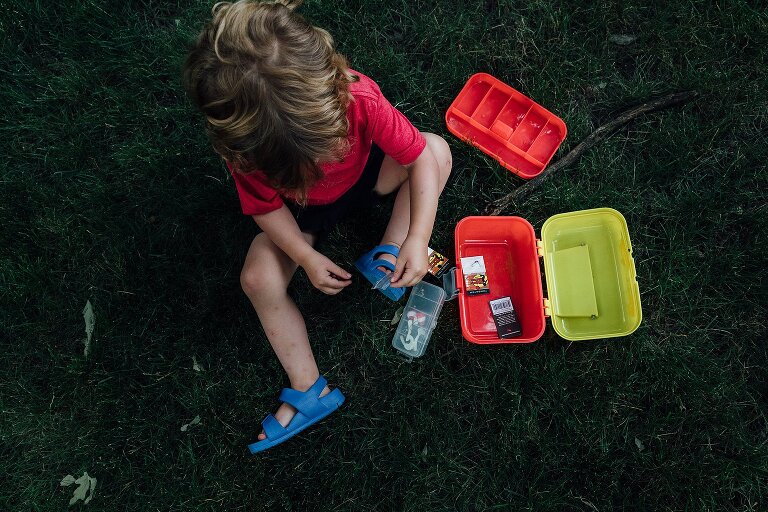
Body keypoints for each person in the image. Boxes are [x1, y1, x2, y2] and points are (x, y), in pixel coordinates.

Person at [183, 0, 451, 452]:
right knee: (258, 276)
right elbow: (266, 210)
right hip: (298, 215)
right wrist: (304, 256)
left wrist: (416, 238)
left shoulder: (358, 97)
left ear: (334, 90)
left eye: (326, 150)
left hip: (369, 178)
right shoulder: (248, 151)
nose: (316, 169)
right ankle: (309, 387)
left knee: (437, 149)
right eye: (296, 168)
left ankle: (388, 251)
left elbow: (417, 159)